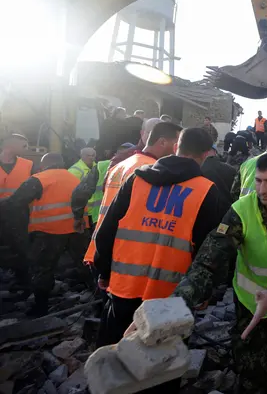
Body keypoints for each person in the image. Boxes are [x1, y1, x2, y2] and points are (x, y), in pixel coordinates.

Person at [172, 151, 267, 393]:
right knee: (250, 364)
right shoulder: (241, 210)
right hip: (250, 298)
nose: (262, 189)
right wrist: (177, 302)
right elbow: (209, 259)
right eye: (259, 181)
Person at [93, 128, 222, 351]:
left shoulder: (137, 179)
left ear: (176, 147)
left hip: (124, 288)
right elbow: (208, 251)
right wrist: (204, 290)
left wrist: (103, 271)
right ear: (206, 154)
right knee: (161, 366)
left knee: (117, 360)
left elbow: (106, 232)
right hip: (172, 299)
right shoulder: (207, 191)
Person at [82, 122, 183, 266]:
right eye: (176, 143)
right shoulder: (150, 170)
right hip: (124, 253)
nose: (177, 149)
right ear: (162, 142)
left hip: (103, 248)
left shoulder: (123, 164)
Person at [4, 153, 90, 316]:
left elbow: (15, 202)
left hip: (49, 231)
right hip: (77, 230)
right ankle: (98, 297)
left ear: (43, 165)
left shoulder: (39, 179)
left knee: (42, 268)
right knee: (85, 263)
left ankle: (40, 307)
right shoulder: (74, 178)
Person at [0, 134, 34, 287]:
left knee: (20, 246)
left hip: (19, 212)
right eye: (23, 146)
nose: (26, 150)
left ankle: (22, 278)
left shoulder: (28, 164)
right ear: (10, 145)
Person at [201, 145, 237, 215]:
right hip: (226, 213)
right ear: (215, 152)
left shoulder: (197, 169)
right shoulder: (231, 169)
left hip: (205, 213)